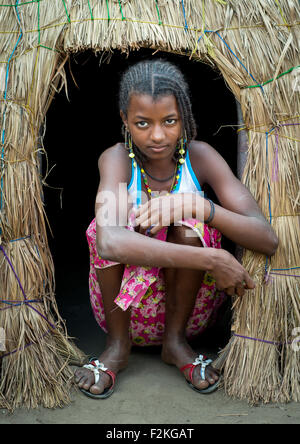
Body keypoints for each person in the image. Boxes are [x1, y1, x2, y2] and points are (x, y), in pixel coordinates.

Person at [75, 59, 278, 399]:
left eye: (169, 121)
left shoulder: (201, 158)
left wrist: (195, 206)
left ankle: (174, 344)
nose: (157, 135)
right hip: (122, 314)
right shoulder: (117, 159)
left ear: (184, 117)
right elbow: (108, 241)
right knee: (104, 223)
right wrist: (213, 259)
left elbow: (266, 238)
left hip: (191, 314)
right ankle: (117, 347)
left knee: (191, 222)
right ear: (124, 119)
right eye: (142, 123)